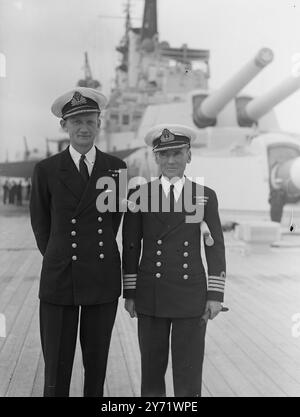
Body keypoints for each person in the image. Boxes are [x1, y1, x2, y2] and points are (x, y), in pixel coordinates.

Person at [30, 87, 126, 397]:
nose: (83, 128)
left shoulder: (116, 168)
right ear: (65, 126)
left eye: (89, 121)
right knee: (56, 370)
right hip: (60, 277)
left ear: (100, 123)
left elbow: (112, 221)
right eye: (76, 122)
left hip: (101, 276)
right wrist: (61, 256)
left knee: (96, 368)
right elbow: (41, 225)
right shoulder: (45, 170)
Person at [122, 124, 226, 397]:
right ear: (155, 157)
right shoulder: (138, 196)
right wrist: (129, 294)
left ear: (189, 156)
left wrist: (215, 294)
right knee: (152, 373)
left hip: (190, 296)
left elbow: (215, 248)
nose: (170, 161)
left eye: (177, 153)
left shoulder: (205, 196)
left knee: (189, 374)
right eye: (164, 154)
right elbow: (131, 247)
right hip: (150, 295)